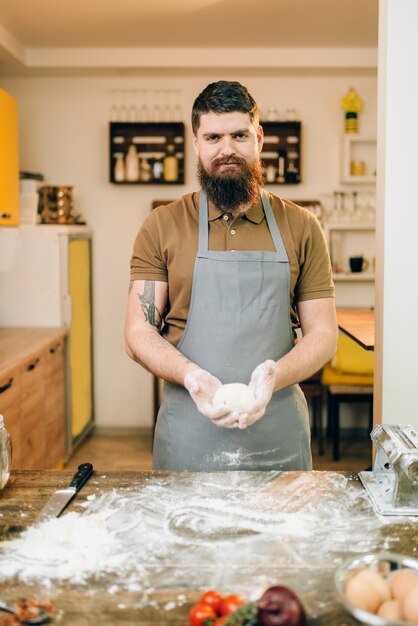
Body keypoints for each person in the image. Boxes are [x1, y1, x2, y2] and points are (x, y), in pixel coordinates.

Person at [125, 80, 338, 471]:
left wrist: (276, 375)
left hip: (279, 439)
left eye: (239, 135)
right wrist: (191, 376)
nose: (227, 149)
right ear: (196, 142)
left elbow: (324, 334)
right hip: (189, 437)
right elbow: (138, 333)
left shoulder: (302, 226)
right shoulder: (162, 225)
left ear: (258, 138)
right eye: (213, 137)